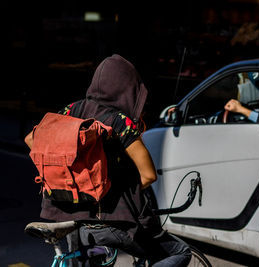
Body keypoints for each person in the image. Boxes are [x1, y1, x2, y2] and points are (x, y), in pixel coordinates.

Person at [25, 54, 191, 266]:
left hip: (70, 216)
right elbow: (148, 175)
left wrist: (76, 174)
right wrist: (112, 190)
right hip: (112, 221)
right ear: (127, 89)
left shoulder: (71, 111)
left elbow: (32, 139)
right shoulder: (120, 121)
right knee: (179, 252)